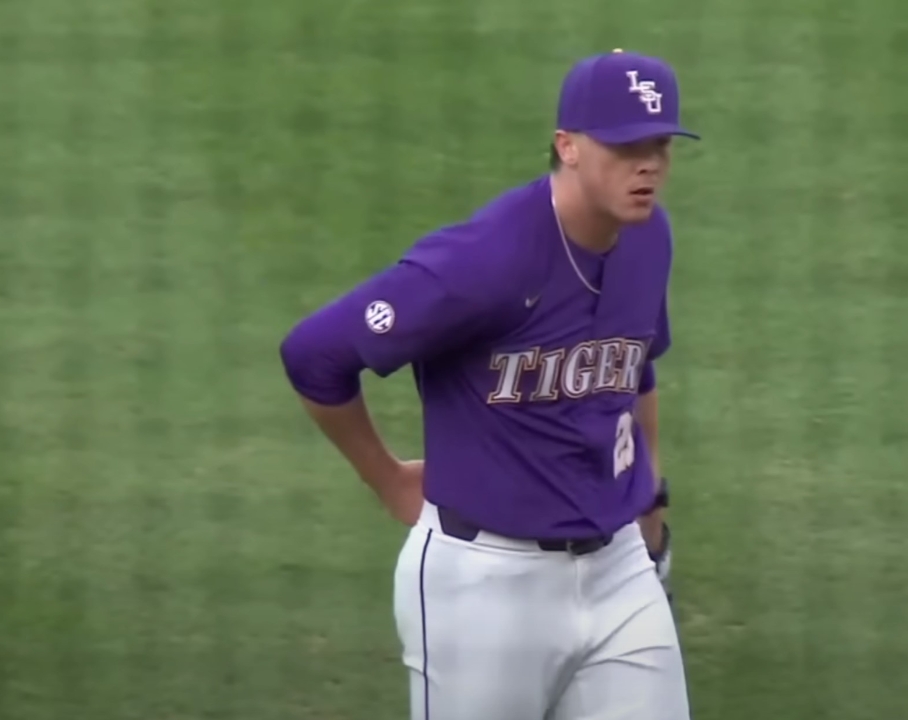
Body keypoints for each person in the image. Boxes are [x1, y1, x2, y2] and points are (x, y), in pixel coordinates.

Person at [278, 48, 699, 720]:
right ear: (567, 146)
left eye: (660, 144)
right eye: (625, 146)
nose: (648, 163)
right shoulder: (484, 261)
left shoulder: (648, 238)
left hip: (619, 571)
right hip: (484, 587)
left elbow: (634, 365)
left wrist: (650, 506)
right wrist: (388, 480)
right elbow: (314, 354)